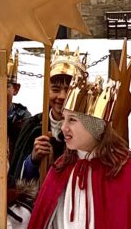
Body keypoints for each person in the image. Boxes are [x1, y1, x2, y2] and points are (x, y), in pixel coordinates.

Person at [25, 74, 131, 229]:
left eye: (72, 120)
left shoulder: (126, 172)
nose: (63, 127)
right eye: (64, 118)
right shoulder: (61, 168)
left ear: (94, 127)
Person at [10, 47, 86, 181]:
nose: (62, 96)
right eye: (55, 89)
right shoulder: (33, 125)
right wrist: (33, 159)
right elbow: (17, 179)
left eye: (68, 90)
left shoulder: (87, 129)